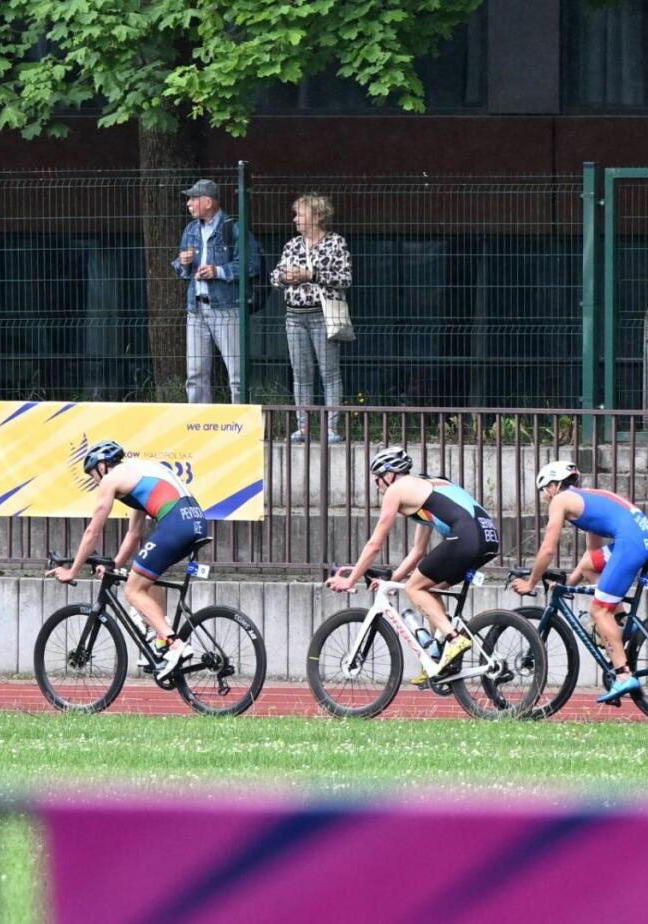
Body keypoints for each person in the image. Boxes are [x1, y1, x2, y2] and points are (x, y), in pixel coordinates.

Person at [326, 446, 500, 684]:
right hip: (488, 538)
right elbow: (418, 551)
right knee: (427, 587)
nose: (377, 486)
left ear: (389, 475)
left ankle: (454, 638)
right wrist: (392, 581)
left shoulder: (396, 490)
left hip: (467, 537)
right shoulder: (425, 488)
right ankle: (439, 657)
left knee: (414, 588)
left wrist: (350, 579)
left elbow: (375, 543)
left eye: (377, 479)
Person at [49, 440, 206, 681]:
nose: (95, 482)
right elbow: (134, 534)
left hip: (177, 525)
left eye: (93, 475)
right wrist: (115, 565)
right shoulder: (136, 475)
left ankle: (175, 645)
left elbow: (92, 532)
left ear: (102, 466)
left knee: (132, 591)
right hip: (196, 522)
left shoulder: (112, 479)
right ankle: (162, 640)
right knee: (147, 577)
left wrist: (72, 571)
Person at [511, 460, 648, 704]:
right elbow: (591, 558)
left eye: (544, 491)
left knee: (598, 610)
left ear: (552, 486)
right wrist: (566, 586)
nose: (545, 497)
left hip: (631, 544)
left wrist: (531, 582)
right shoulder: (586, 498)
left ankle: (623, 675)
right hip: (645, 539)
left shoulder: (561, 500)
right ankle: (621, 622)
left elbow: (548, 549)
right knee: (591, 567)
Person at [271, 194, 351, 443]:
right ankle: (303, 427)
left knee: (329, 373)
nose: (295, 219)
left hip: (322, 315)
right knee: (301, 373)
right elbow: (274, 276)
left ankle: (332, 428)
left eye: (300, 214)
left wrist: (310, 275)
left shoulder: (335, 243)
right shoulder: (292, 245)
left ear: (318, 216)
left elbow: (344, 278)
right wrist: (285, 277)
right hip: (294, 316)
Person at [172, 178, 259, 404]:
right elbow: (180, 268)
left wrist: (218, 271)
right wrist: (183, 262)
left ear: (208, 202)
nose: (189, 204)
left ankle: (241, 419)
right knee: (195, 375)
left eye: (193, 199)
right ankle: (199, 421)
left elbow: (251, 265)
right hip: (196, 309)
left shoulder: (233, 229)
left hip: (226, 309)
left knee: (237, 375)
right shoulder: (191, 230)